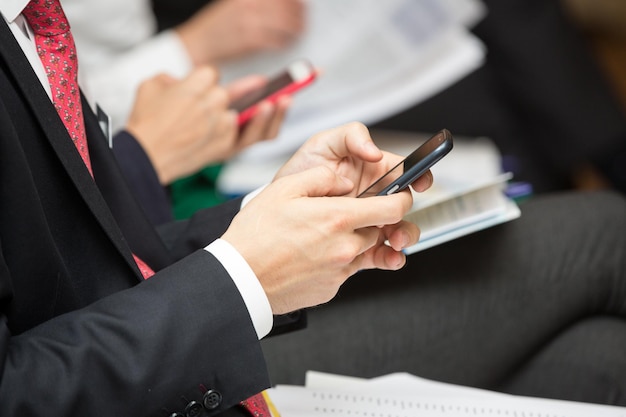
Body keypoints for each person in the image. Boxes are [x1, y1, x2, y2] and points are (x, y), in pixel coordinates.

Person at [2, 3, 625, 417]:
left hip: (151, 335)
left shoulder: (31, 27)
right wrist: (246, 278)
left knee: (600, 359)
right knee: (602, 234)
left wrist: (280, 217)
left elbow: (93, 257)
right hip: (159, 371)